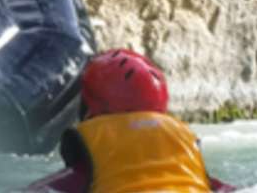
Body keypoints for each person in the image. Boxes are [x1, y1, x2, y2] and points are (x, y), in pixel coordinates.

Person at [23, 49, 236, 193]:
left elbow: (57, 187)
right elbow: (218, 187)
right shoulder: (181, 141)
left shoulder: (99, 143)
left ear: (92, 104)